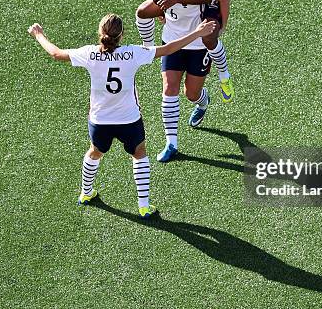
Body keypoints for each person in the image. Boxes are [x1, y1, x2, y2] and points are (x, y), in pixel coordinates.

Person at [28, 15, 215, 218]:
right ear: (122, 35)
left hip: (100, 121)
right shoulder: (132, 53)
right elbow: (168, 49)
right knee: (139, 154)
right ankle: (144, 206)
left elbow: (56, 54)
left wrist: (39, 35)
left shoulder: (90, 54)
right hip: (129, 120)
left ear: (100, 33)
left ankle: (85, 193)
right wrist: (197, 33)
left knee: (94, 152)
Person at [149, 0, 224, 162]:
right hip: (172, 42)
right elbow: (147, 3)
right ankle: (171, 143)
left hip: (198, 46)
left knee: (191, 94)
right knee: (169, 87)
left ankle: (202, 102)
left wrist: (219, 29)